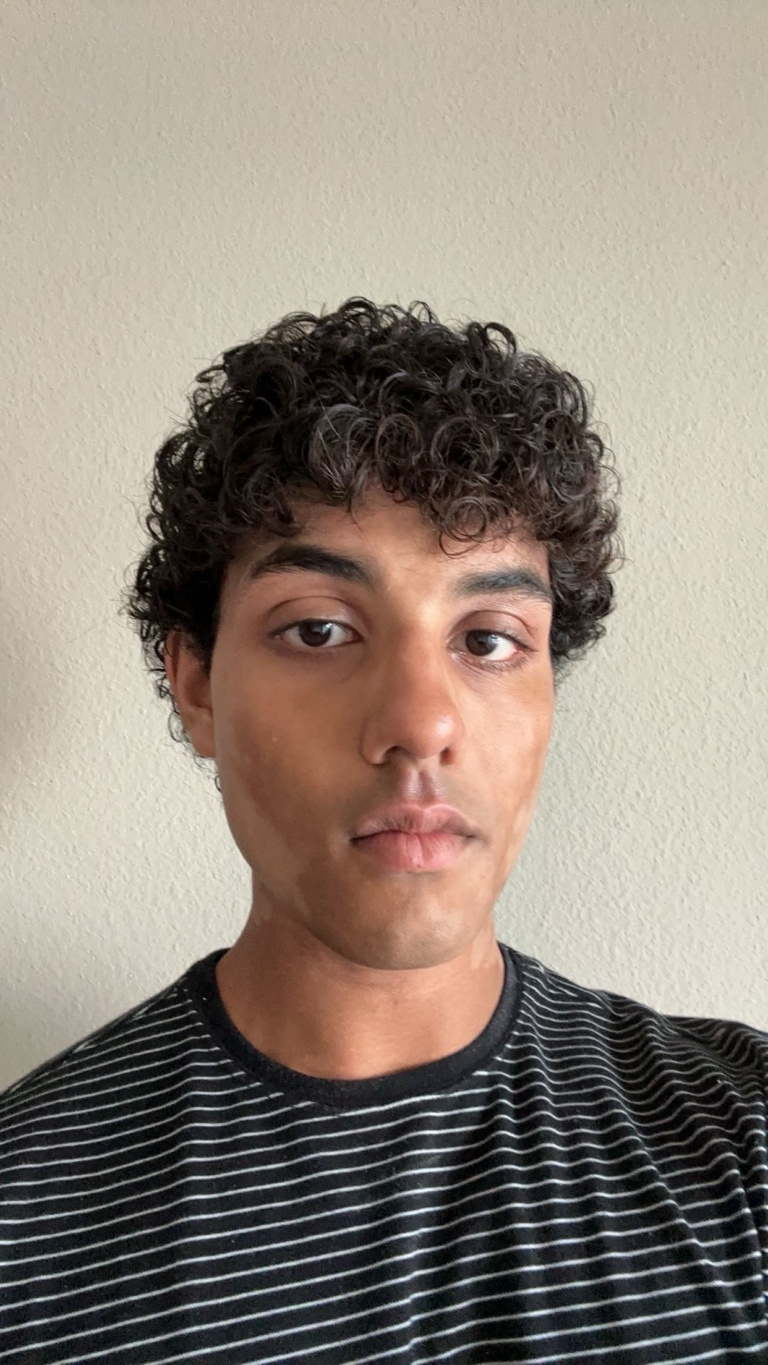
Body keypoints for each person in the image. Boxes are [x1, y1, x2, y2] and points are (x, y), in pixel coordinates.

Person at [1, 299, 765, 1364]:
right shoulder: (20, 1222)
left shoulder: (746, 1145)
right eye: (318, 628)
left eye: (490, 638)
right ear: (197, 684)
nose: (419, 722)